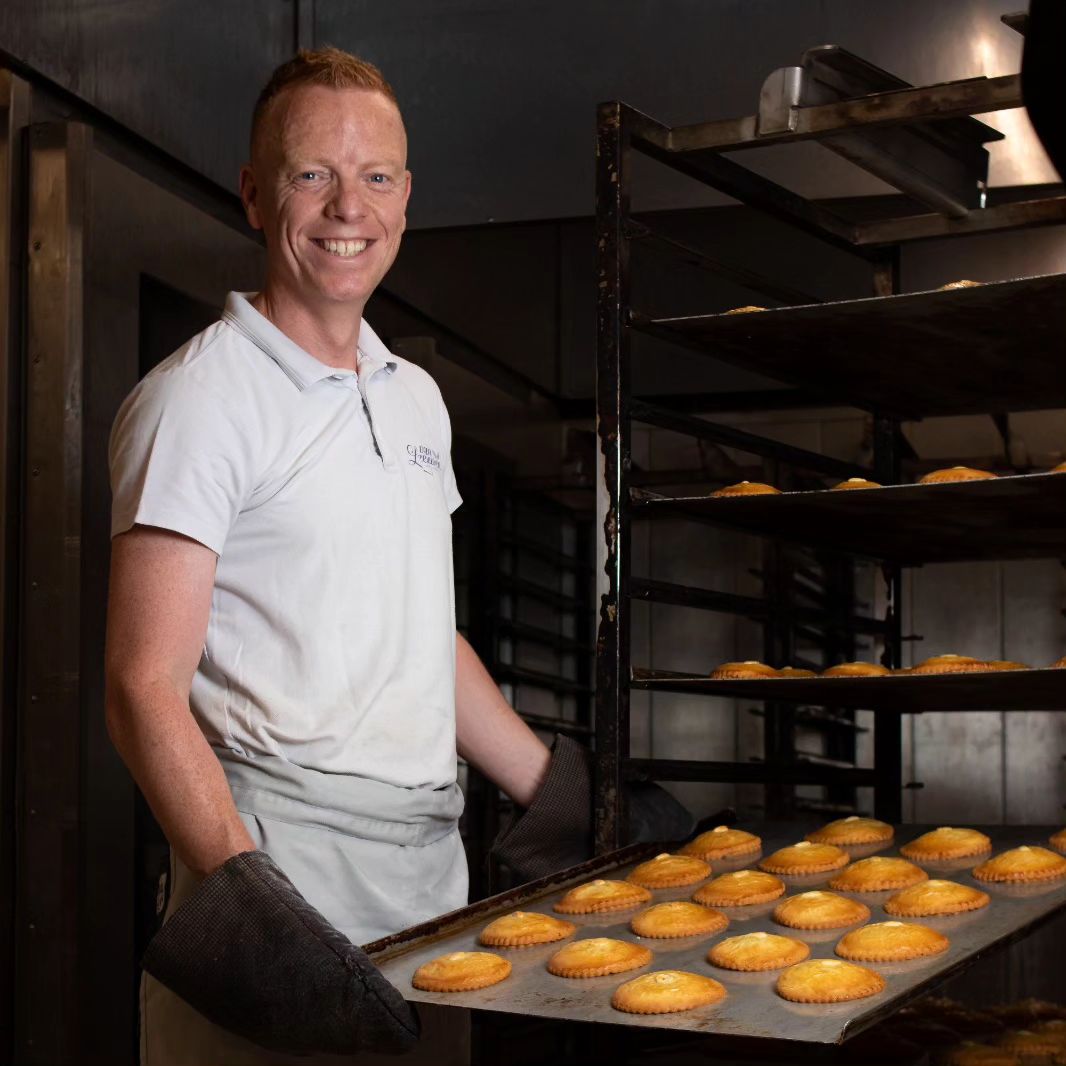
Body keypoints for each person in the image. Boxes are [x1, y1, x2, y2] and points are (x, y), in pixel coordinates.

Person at [105, 47, 561, 1065]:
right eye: (314, 173)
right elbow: (140, 687)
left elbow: (413, 632)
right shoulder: (200, 401)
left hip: (429, 884)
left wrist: (556, 789)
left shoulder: (414, 397)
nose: (347, 205)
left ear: (407, 197)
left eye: (377, 176)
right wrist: (260, 921)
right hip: (282, 871)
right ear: (257, 195)